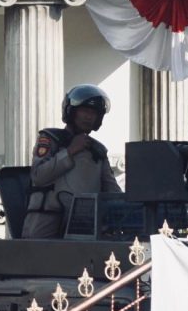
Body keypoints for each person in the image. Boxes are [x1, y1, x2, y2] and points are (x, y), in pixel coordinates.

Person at [22, 84, 120, 239]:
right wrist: (69, 152)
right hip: (47, 220)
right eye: (84, 111)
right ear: (71, 112)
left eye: (93, 113)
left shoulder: (98, 151)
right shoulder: (51, 138)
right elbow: (38, 176)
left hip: (83, 223)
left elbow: (112, 190)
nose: (89, 117)